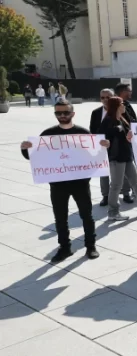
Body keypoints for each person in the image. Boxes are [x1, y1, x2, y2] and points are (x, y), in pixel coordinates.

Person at [19, 99, 107, 262]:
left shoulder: (83, 133)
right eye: (58, 113)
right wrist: (25, 149)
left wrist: (102, 147)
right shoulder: (47, 134)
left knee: (86, 215)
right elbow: (36, 157)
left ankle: (91, 246)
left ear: (73, 113)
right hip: (57, 184)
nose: (62, 115)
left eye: (66, 112)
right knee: (60, 218)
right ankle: (65, 248)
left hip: (80, 183)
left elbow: (96, 157)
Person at [99, 96, 137, 221]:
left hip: (126, 155)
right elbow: (103, 137)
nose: (124, 106)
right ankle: (113, 211)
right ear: (117, 106)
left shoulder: (122, 118)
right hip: (116, 157)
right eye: (122, 104)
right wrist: (113, 135)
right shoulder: (108, 120)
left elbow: (129, 130)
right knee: (116, 185)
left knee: (135, 181)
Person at [90, 88, 130, 206]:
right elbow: (93, 130)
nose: (105, 100)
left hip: (120, 147)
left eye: (108, 97)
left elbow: (130, 124)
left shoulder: (122, 111)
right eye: (102, 97)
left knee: (125, 171)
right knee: (104, 172)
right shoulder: (96, 112)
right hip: (103, 148)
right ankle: (106, 196)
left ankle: (126, 193)